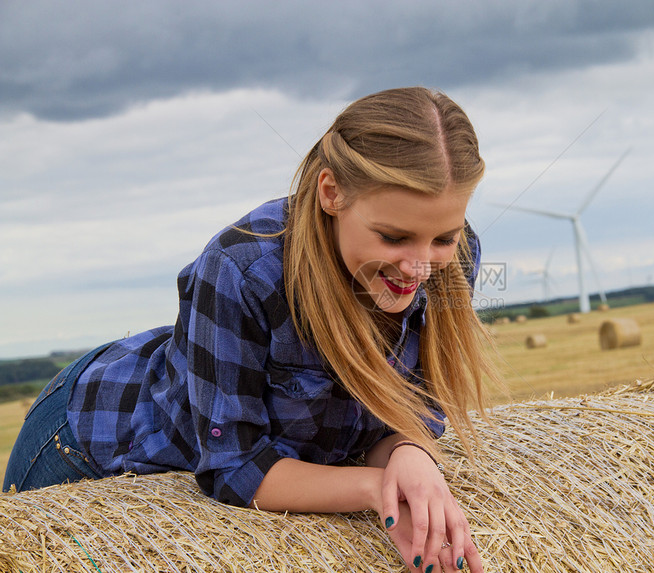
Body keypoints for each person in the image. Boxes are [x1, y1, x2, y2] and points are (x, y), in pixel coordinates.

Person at [3, 87, 497, 572]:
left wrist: (410, 455)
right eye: (393, 236)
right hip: (94, 440)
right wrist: (378, 488)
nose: (419, 266)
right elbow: (234, 468)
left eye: (443, 237)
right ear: (331, 193)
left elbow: (410, 409)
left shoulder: (453, 263)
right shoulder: (242, 269)